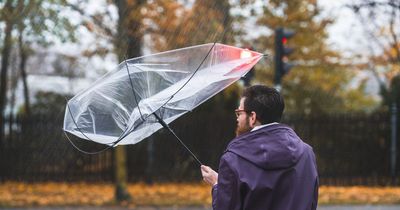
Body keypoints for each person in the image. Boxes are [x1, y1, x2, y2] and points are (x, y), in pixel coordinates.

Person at [201, 85, 318, 210]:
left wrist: (218, 185)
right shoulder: (307, 153)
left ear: (253, 117)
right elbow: (311, 202)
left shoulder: (233, 159)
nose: (237, 118)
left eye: (239, 113)